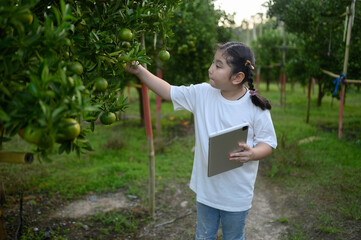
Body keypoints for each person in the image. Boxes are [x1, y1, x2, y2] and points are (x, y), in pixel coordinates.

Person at [125, 42, 277, 240]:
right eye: (213, 63)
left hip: (237, 195)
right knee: (204, 235)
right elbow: (168, 91)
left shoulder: (256, 107)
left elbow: (268, 143)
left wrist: (253, 153)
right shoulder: (203, 94)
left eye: (218, 65)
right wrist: (139, 70)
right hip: (207, 192)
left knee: (234, 236)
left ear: (237, 77)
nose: (210, 69)